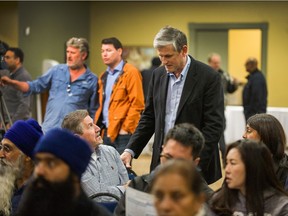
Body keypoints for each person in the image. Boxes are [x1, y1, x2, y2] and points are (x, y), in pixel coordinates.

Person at [121, 26, 224, 184]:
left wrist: (194, 164)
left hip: (193, 164)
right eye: (160, 56)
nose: (163, 61)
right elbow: (149, 117)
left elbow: (214, 126)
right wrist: (130, 150)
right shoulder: (158, 75)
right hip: (162, 161)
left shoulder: (209, 77)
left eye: (168, 56)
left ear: (184, 50)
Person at [1, 37, 98, 133]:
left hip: (73, 133)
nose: (68, 56)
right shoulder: (57, 70)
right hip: (49, 129)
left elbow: (93, 111)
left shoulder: (91, 79)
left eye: (73, 53)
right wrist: (11, 82)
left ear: (83, 55)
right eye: (68, 52)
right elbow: (34, 86)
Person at [114, 123, 214, 216]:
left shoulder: (209, 200)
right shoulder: (139, 186)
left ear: (194, 163)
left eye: (179, 161)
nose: (170, 165)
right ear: (162, 150)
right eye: (168, 157)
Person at [15, 128, 111, 216]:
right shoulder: (30, 205)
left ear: (73, 171)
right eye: (38, 162)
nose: (39, 171)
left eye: (51, 163)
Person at [62, 109, 129, 201]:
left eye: (94, 124)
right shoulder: (74, 162)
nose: (98, 128)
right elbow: (98, 196)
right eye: (90, 126)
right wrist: (123, 189)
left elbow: (129, 189)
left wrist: (126, 189)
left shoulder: (111, 151)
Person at [210, 140, 288, 215]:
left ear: (252, 166)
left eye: (233, 163)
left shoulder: (281, 206)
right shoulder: (219, 202)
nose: (227, 170)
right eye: (226, 163)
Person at [94, 37, 144, 154]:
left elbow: (138, 104)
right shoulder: (103, 76)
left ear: (119, 51)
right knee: (106, 169)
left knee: (122, 169)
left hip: (122, 133)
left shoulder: (131, 72)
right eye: (102, 51)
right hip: (105, 130)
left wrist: (126, 128)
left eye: (108, 50)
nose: (104, 54)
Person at [0, 118, 43, 216]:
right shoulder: (8, 184)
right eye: (1, 147)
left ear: (27, 156)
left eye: (7, 149)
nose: (1, 154)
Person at [243, 113, 288, 190]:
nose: (243, 135)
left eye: (249, 131)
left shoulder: (284, 168)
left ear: (265, 135)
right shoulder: (243, 160)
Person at [208, 52, 239, 163]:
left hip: (221, 107)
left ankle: (224, 157)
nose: (217, 65)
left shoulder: (224, 74)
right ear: (209, 62)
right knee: (218, 132)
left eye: (218, 62)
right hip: (208, 107)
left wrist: (235, 84)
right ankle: (221, 158)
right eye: (215, 62)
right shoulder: (206, 73)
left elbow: (230, 89)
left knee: (221, 131)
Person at [0, 47, 32, 129]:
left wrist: (11, 123)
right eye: (4, 57)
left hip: (17, 125)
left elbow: (24, 105)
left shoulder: (24, 77)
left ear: (17, 60)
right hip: (6, 122)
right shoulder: (7, 73)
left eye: (8, 57)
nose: (5, 60)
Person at [242, 57, 267, 122]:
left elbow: (257, 97)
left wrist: (252, 113)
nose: (245, 66)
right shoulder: (254, 77)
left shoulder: (257, 78)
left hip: (254, 113)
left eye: (246, 64)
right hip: (253, 112)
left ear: (251, 65)